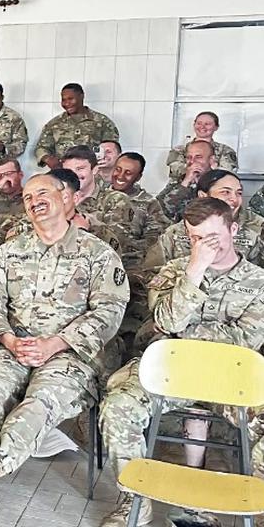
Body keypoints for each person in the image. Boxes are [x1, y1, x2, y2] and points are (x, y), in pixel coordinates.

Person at [0, 173, 128, 525]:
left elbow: (109, 311)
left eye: (43, 192)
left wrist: (54, 344)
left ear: (68, 198)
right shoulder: (9, 252)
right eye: (27, 197)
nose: (34, 200)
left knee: (38, 403)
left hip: (70, 354)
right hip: (14, 346)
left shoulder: (97, 254)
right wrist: (9, 340)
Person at [99, 198, 264, 527]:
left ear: (234, 230)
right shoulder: (174, 271)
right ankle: (134, 502)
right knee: (118, 408)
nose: (204, 247)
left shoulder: (258, 282)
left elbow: (246, 341)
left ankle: (257, 509)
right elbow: (166, 321)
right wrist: (194, 271)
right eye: (196, 239)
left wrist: (186, 334)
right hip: (170, 374)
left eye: (213, 238)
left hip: (230, 381)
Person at [144, 169, 264, 275]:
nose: (234, 198)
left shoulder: (257, 229)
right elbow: (152, 274)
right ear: (203, 195)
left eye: (239, 193)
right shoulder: (177, 232)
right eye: (225, 192)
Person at [60, 146, 139, 251]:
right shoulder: (57, 200)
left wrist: (90, 227)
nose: (74, 175)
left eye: (80, 169)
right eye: (68, 171)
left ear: (95, 170)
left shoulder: (115, 200)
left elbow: (118, 244)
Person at [34, 83, 119, 169]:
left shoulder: (102, 122)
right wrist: (48, 159)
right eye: (63, 100)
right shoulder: (54, 124)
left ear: (81, 96)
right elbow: (41, 148)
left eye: (70, 99)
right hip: (64, 174)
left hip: (93, 173)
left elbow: (111, 148)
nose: (67, 103)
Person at [110, 152, 170, 264]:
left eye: (128, 173)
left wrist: (128, 248)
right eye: (118, 169)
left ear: (138, 177)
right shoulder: (98, 195)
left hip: (130, 263)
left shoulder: (149, 203)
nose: (121, 176)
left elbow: (154, 240)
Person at [166, 111, 237, 181]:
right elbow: (175, 170)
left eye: (207, 124)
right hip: (180, 189)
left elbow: (227, 174)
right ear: (194, 125)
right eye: (199, 123)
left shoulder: (225, 151)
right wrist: (210, 169)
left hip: (211, 189)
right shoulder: (180, 150)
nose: (202, 127)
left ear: (216, 127)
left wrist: (192, 168)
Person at [157, 139, 216, 222]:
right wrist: (185, 182)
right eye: (189, 157)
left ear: (211, 160)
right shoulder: (180, 181)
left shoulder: (221, 181)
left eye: (198, 157)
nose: (192, 161)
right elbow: (159, 210)